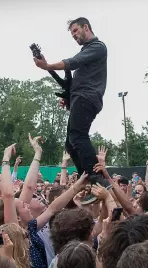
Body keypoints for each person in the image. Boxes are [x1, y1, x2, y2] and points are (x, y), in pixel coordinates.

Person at [34, 17, 110, 204]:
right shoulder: (88, 56)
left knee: (77, 136)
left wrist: (49, 65)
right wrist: (68, 99)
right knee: (70, 143)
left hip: (87, 97)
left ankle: (97, 180)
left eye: (75, 31)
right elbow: (74, 82)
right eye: (72, 33)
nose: (74, 36)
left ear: (86, 27)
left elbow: (72, 62)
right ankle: (87, 179)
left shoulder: (97, 47)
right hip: (81, 98)